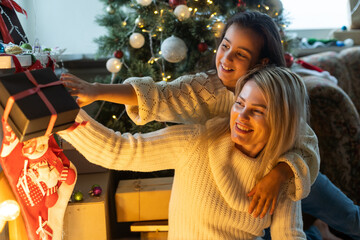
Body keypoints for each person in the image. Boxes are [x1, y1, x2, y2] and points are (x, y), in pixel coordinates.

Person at [61, 11, 360, 240]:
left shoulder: (283, 105)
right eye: (224, 46)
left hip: (291, 166)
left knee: (344, 215)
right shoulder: (204, 92)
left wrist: (281, 174)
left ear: (262, 62)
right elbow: (156, 96)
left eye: (241, 55)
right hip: (222, 166)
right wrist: (96, 90)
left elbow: (306, 146)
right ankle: (318, 232)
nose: (226, 60)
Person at [59, 66, 307, 239]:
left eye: (258, 111)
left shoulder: (281, 175)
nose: (241, 117)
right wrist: (60, 114)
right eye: (239, 104)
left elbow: (290, 235)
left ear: (281, 120)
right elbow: (118, 150)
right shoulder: (197, 142)